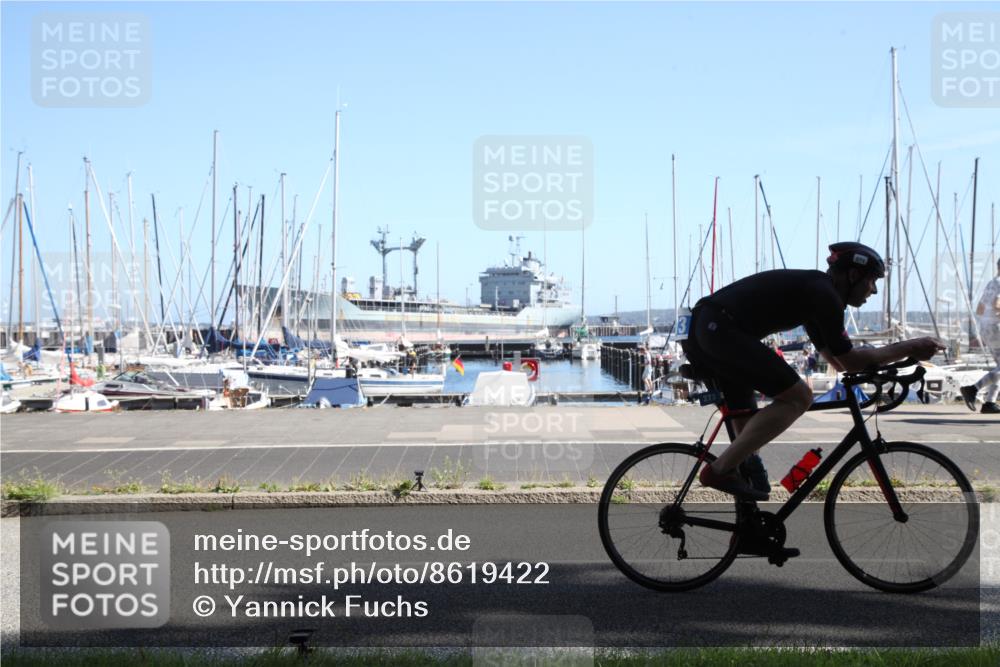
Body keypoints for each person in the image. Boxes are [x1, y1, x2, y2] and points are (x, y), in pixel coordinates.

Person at [680, 241, 943, 500]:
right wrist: (909, 347)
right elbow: (850, 361)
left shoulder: (816, 294)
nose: (873, 291)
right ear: (853, 275)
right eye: (872, 281)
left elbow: (838, 363)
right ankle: (719, 471)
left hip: (708, 328)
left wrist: (881, 366)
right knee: (800, 397)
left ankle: (747, 526)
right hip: (719, 329)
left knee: (748, 434)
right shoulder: (824, 294)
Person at [961, 258, 1000, 414]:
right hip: (997, 327)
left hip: (987, 328)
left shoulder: (992, 283)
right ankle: (972, 389)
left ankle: (989, 403)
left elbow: (980, 309)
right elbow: (998, 305)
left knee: (999, 367)